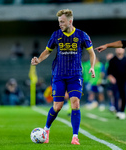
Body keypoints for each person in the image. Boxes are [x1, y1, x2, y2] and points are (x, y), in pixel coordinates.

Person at [31, 9, 96, 145]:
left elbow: (91, 53)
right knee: (58, 106)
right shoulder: (56, 35)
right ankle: (46, 130)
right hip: (59, 75)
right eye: (59, 22)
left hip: (75, 75)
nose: (60, 24)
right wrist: (39, 60)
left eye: (62, 22)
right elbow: (47, 51)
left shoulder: (81, 35)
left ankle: (75, 136)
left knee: (75, 103)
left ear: (70, 21)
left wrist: (91, 67)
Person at [107, 48, 126, 119]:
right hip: (115, 81)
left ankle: (122, 111)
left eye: (121, 48)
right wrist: (111, 78)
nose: (119, 50)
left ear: (124, 50)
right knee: (116, 95)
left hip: (124, 81)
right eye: (118, 49)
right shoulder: (112, 60)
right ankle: (118, 111)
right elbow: (109, 72)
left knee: (123, 96)